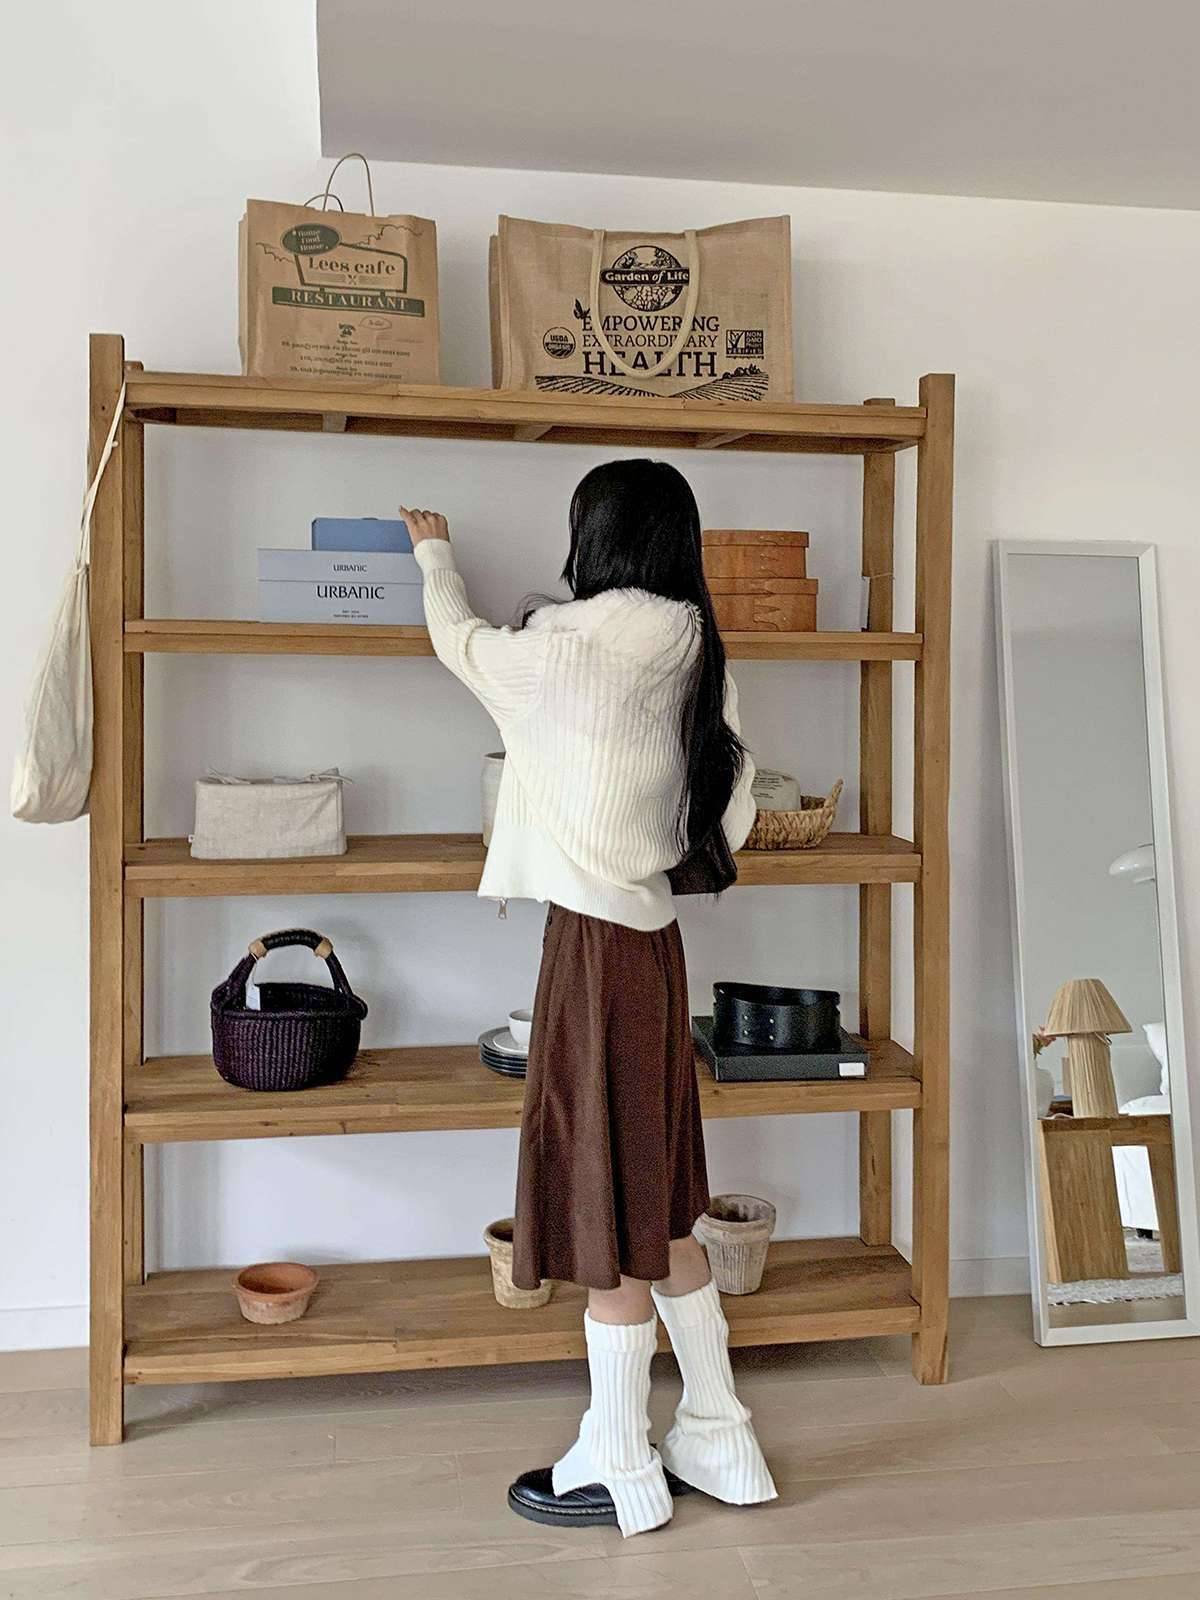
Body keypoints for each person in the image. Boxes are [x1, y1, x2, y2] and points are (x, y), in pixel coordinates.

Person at [400, 460, 776, 1538]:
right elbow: (734, 812)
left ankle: (617, 1458)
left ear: (593, 538)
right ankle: (720, 1434)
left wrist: (434, 553)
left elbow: (460, 644)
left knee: (603, 1210)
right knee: (662, 1207)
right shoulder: (699, 646)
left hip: (592, 952)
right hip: (654, 944)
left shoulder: (562, 644)